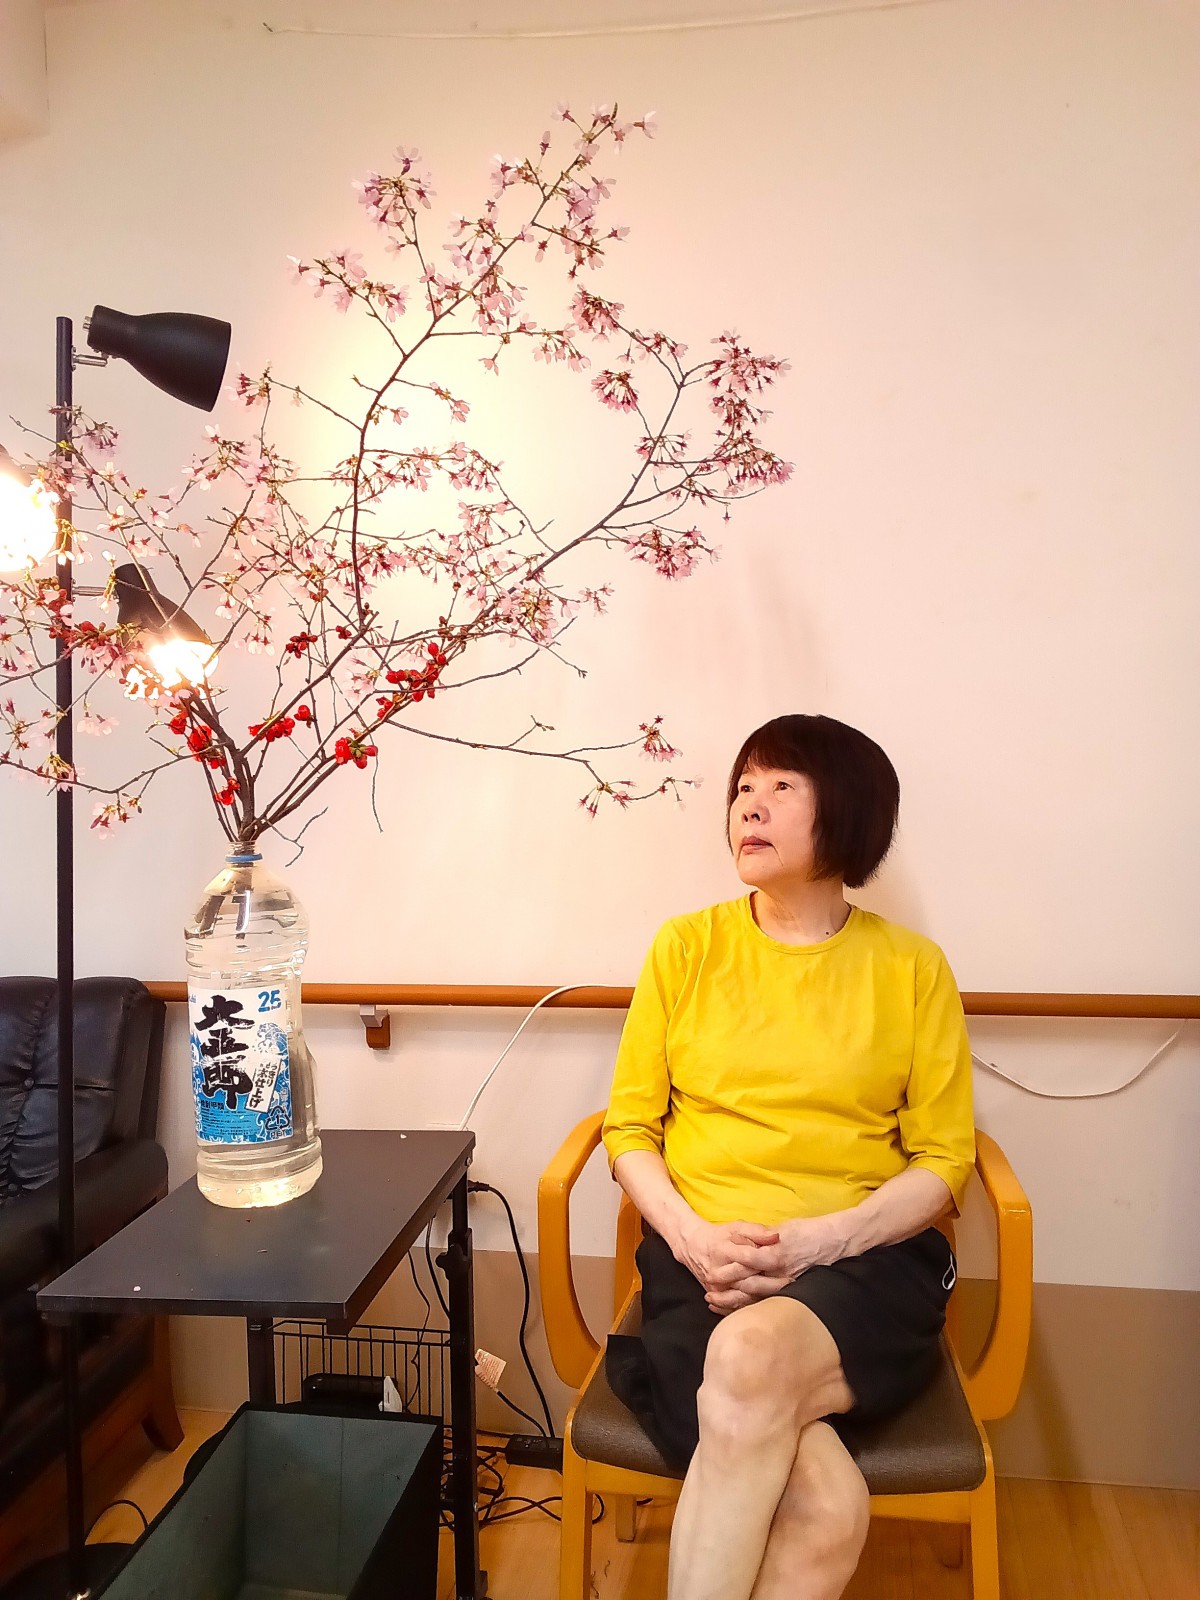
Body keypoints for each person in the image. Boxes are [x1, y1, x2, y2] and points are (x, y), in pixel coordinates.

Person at [602, 713, 975, 1600]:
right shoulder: (686, 948)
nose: (749, 806)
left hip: (867, 1264)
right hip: (705, 1265)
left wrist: (819, 1241)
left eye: (780, 787)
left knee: (749, 1356)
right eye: (743, 787)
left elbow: (943, 1160)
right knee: (827, 1508)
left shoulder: (912, 967)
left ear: (845, 810)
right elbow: (630, 1131)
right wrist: (693, 1240)